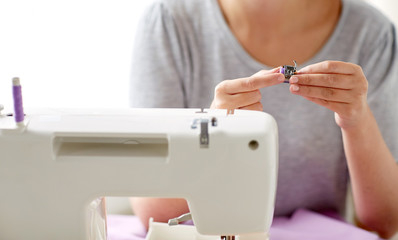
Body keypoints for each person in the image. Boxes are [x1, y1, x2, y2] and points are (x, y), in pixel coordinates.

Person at [129, 0, 398, 238]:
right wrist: (212, 138)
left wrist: (357, 121)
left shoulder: (372, 34)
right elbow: (152, 211)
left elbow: (385, 222)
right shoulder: (168, 23)